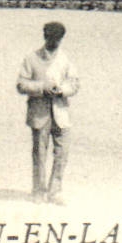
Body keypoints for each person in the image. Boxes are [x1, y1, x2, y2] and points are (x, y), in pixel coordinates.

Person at [16, 20, 78, 204]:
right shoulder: (31, 58)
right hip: (39, 113)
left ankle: (55, 191)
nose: (54, 42)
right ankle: (38, 191)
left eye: (58, 39)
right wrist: (42, 87)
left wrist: (62, 90)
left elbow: (74, 84)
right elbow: (21, 84)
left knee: (62, 153)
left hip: (61, 113)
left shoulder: (65, 59)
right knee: (39, 154)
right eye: (51, 38)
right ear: (45, 37)